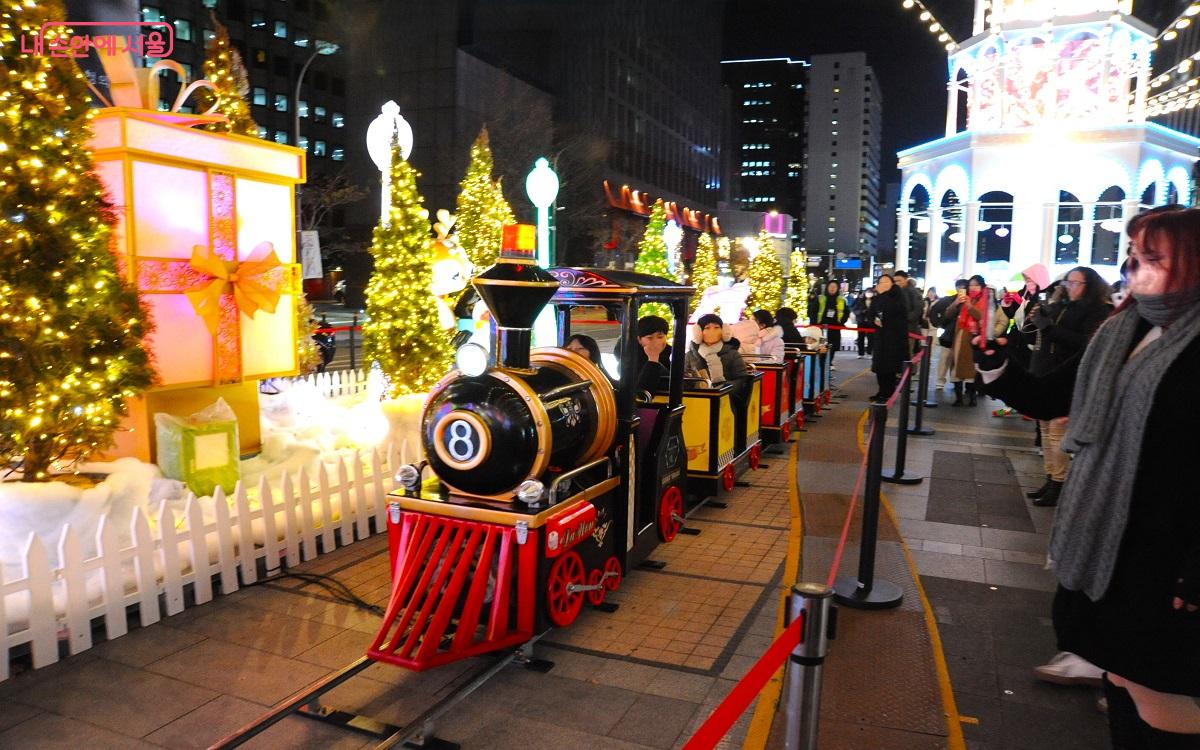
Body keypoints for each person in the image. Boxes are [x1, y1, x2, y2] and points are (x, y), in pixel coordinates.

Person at [976, 208, 1200, 747]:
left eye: (1153, 258)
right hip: (1109, 538)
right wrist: (998, 366)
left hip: (1169, 553)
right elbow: (1052, 396)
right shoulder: (1123, 329)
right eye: (1132, 256)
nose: (1133, 268)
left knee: (1159, 694)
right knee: (1122, 679)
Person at [1022, 266, 1110, 507]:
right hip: (1043, 374)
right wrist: (1037, 320)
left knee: (1057, 435)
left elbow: (1085, 344)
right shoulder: (1059, 306)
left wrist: (1049, 327)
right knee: (1046, 433)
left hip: (1066, 378)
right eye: (1068, 282)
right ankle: (1050, 479)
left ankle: (1059, 483)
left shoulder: (1096, 312)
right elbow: (1033, 338)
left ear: (1089, 286)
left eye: (1076, 283)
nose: (1070, 287)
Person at [944, 274, 990, 406]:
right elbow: (948, 314)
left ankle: (972, 396)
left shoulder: (985, 300)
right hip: (960, 336)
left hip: (974, 338)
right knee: (957, 366)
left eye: (976, 285)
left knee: (971, 369)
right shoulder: (962, 298)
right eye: (971, 285)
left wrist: (969, 306)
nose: (973, 287)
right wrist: (956, 303)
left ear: (982, 286)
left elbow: (982, 316)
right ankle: (958, 397)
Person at [865, 273, 909, 402]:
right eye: (881, 282)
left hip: (894, 338)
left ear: (891, 284)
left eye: (886, 282)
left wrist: (883, 294)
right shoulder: (877, 298)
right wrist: (874, 320)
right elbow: (871, 314)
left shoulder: (897, 296)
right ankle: (881, 391)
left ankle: (888, 393)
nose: (882, 284)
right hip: (880, 337)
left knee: (889, 367)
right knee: (879, 366)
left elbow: (893, 312)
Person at [685, 313, 749, 384]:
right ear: (698, 332)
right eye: (707, 328)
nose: (712, 331)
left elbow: (742, 380)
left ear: (723, 331)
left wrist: (723, 389)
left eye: (716, 327)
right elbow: (684, 378)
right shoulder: (690, 355)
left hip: (726, 394)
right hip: (699, 394)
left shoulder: (733, 354)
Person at [929, 280, 968, 390]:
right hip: (949, 335)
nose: (961, 289)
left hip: (963, 335)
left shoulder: (970, 301)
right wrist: (939, 323)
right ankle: (940, 380)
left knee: (957, 359)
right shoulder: (948, 300)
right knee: (945, 358)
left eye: (963, 287)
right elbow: (934, 311)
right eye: (959, 287)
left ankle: (955, 381)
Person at [808, 280, 849, 367]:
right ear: (827, 287)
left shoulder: (841, 300)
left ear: (837, 288)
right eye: (831, 286)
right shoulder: (820, 298)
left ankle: (828, 364)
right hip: (822, 330)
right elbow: (813, 311)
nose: (832, 288)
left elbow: (846, 312)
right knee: (822, 347)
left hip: (834, 329)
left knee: (832, 347)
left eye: (835, 287)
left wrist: (841, 322)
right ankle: (823, 366)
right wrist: (814, 324)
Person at [633, 315, 671, 391]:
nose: (656, 342)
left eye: (660, 337)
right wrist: (653, 359)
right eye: (650, 338)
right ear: (639, 340)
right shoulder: (632, 359)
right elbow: (644, 393)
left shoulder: (675, 353)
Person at [894, 270, 925, 348]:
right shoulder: (897, 291)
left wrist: (904, 319)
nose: (897, 283)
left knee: (907, 354)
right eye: (895, 281)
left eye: (899, 280)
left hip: (909, 329)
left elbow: (918, 310)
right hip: (897, 328)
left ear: (906, 279)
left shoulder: (913, 292)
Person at [851, 289, 874, 358]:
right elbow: (854, 309)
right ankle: (860, 353)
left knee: (871, 338)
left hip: (871, 321)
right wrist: (861, 311)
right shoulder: (859, 300)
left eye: (870, 292)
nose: (869, 294)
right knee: (860, 337)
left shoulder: (875, 301)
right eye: (867, 292)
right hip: (861, 321)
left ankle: (869, 353)